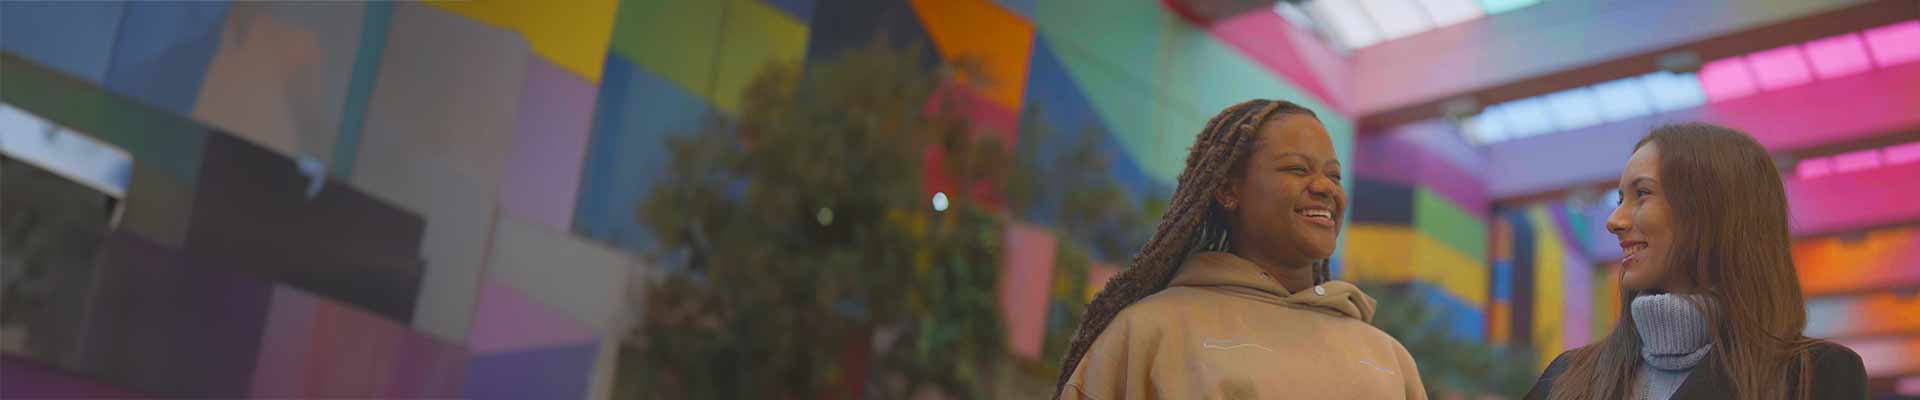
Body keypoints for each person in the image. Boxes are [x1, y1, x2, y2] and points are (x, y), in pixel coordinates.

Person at [1054, 100, 1425, 399]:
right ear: (1228, 190)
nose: (1325, 187)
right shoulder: (1151, 330)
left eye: (1334, 175)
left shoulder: (1388, 357)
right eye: (1297, 169)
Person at [1524, 123, 1867, 400]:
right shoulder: (1565, 378)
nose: (1614, 220)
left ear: (1711, 211)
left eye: (1642, 194)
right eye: (1619, 199)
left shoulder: (1815, 374)